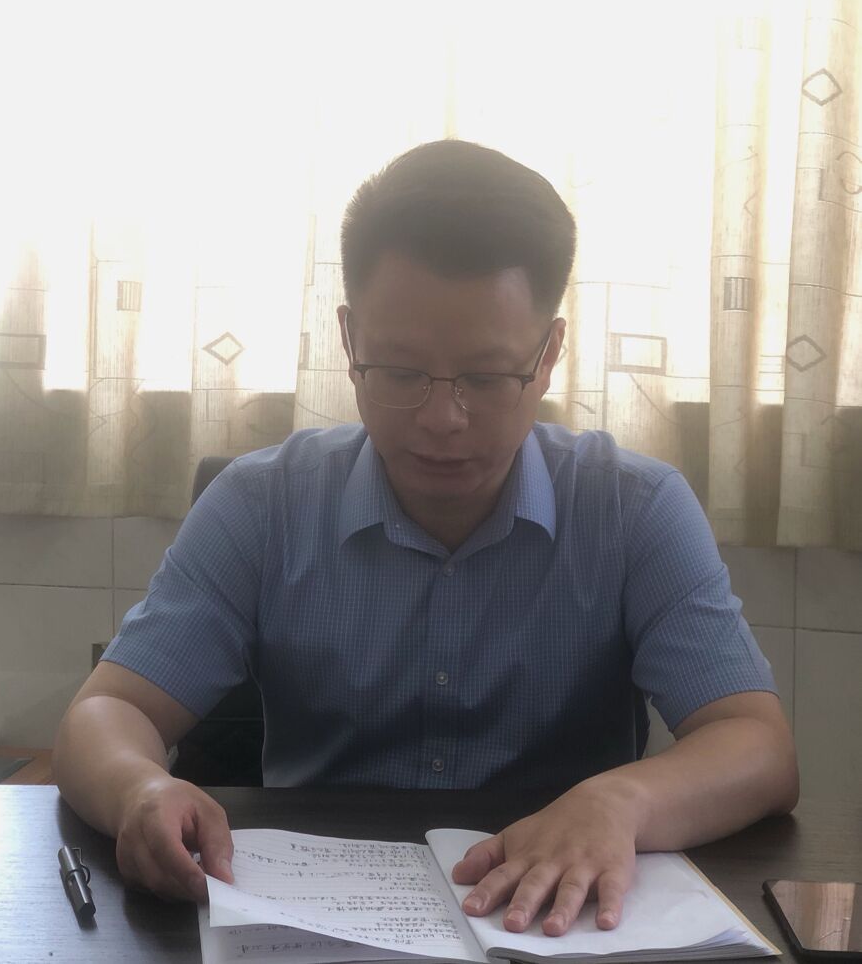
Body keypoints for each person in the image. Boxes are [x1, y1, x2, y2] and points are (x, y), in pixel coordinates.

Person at [53, 139, 798, 937]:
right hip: (310, 920)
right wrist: (139, 788)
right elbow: (108, 711)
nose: (442, 419)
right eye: (402, 373)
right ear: (349, 343)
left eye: (486, 376)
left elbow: (755, 744)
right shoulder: (262, 505)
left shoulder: (633, 509)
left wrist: (620, 800)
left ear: (548, 355)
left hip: (552, 921)